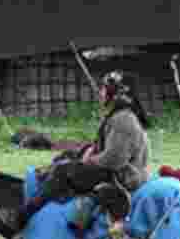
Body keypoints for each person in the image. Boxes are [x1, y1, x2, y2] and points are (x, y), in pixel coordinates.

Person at [18, 71, 150, 229]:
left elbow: (114, 159)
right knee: (67, 157)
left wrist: (88, 160)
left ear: (117, 94)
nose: (100, 93)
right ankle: (52, 193)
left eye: (104, 89)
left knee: (64, 170)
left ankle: (26, 215)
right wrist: (84, 152)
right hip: (117, 171)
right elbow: (104, 147)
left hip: (122, 178)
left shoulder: (123, 119)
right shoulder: (119, 116)